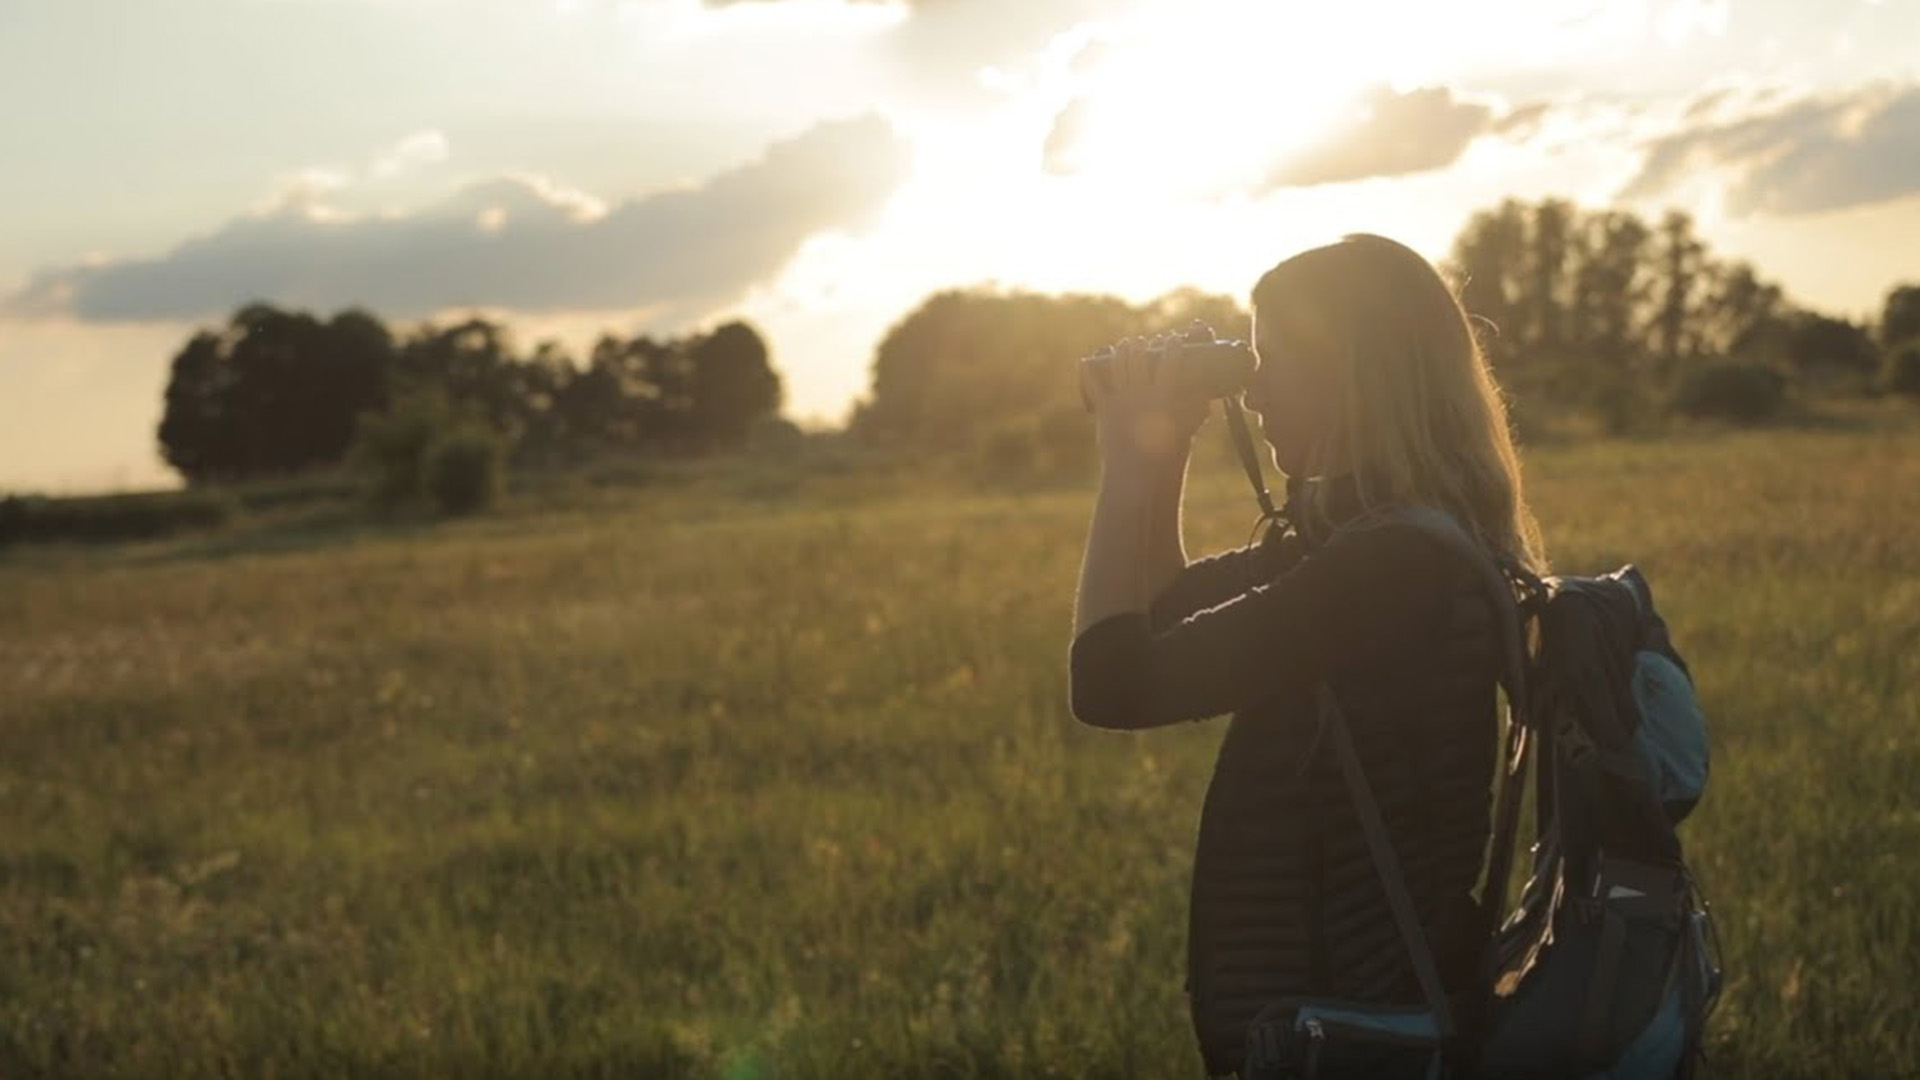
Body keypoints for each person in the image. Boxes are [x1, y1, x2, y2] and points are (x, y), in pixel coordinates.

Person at [1068, 233, 1550, 1079]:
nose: (1253, 396)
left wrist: (1122, 467)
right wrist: (1163, 448)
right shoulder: (1375, 541)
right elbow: (1162, 610)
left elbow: (1111, 682)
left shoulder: (1394, 566)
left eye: (1275, 361)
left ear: (1356, 376)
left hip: (1353, 1018)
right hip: (1336, 1013)